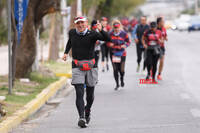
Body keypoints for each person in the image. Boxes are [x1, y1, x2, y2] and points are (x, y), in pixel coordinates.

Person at [62, 16, 110, 128]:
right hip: (77, 65)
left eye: (82, 23)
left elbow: (107, 39)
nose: (80, 25)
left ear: (86, 23)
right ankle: (82, 117)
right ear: (75, 25)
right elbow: (70, 42)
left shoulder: (93, 34)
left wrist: (101, 29)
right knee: (79, 92)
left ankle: (87, 109)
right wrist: (65, 52)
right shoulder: (72, 32)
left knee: (90, 95)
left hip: (91, 66)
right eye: (78, 23)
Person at [107, 20, 130, 90]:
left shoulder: (124, 33)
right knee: (115, 69)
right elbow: (107, 42)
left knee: (121, 70)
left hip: (122, 53)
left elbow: (128, 42)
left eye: (117, 28)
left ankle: (122, 79)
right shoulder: (110, 34)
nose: (116, 29)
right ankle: (117, 84)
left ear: (120, 27)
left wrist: (125, 45)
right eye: (115, 28)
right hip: (113, 53)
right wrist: (109, 44)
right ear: (113, 27)